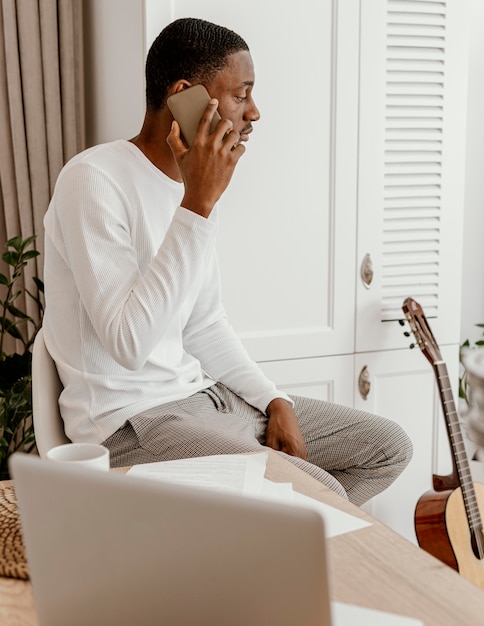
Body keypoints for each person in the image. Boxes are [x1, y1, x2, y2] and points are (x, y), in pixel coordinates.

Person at [43, 17, 412, 506]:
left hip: (210, 400)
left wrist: (272, 398)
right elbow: (128, 343)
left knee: (386, 448)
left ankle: (256, 552)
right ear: (184, 95)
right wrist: (198, 204)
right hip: (133, 425)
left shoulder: (188, 188)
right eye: (241, 94)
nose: (254, 113)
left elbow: (203, 324)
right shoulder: (93, 179)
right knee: (318, 494)